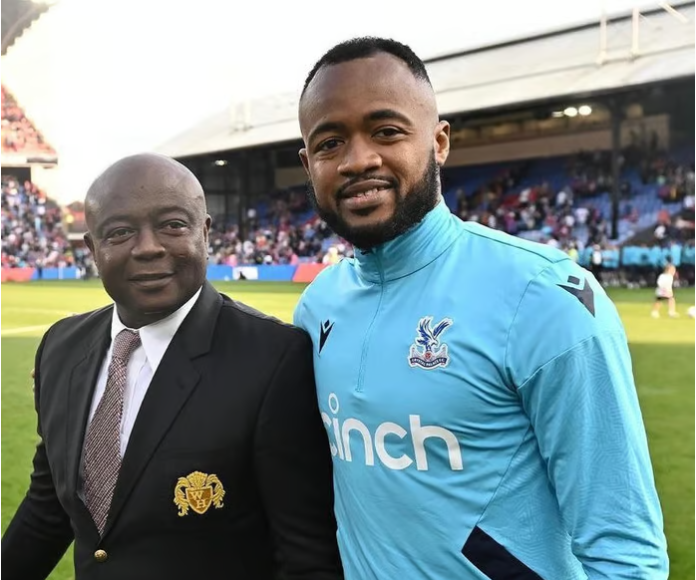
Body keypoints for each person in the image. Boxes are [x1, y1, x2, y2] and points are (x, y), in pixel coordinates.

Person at [293, 37, 668, 579]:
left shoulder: (541, 295)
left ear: (439, 142)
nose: (359, 160)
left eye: (387, 131)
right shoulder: (317, 305)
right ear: (308, 165)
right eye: (330, 143)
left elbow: (625, 550)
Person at [2, 153, 343, 580]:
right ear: (92, 249)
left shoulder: (274, 358)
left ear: (205, 232)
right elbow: (49, 505)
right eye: (120, 232)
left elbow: (306, 555)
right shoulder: (60, 347)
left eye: (172, 225)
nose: (148, 248)